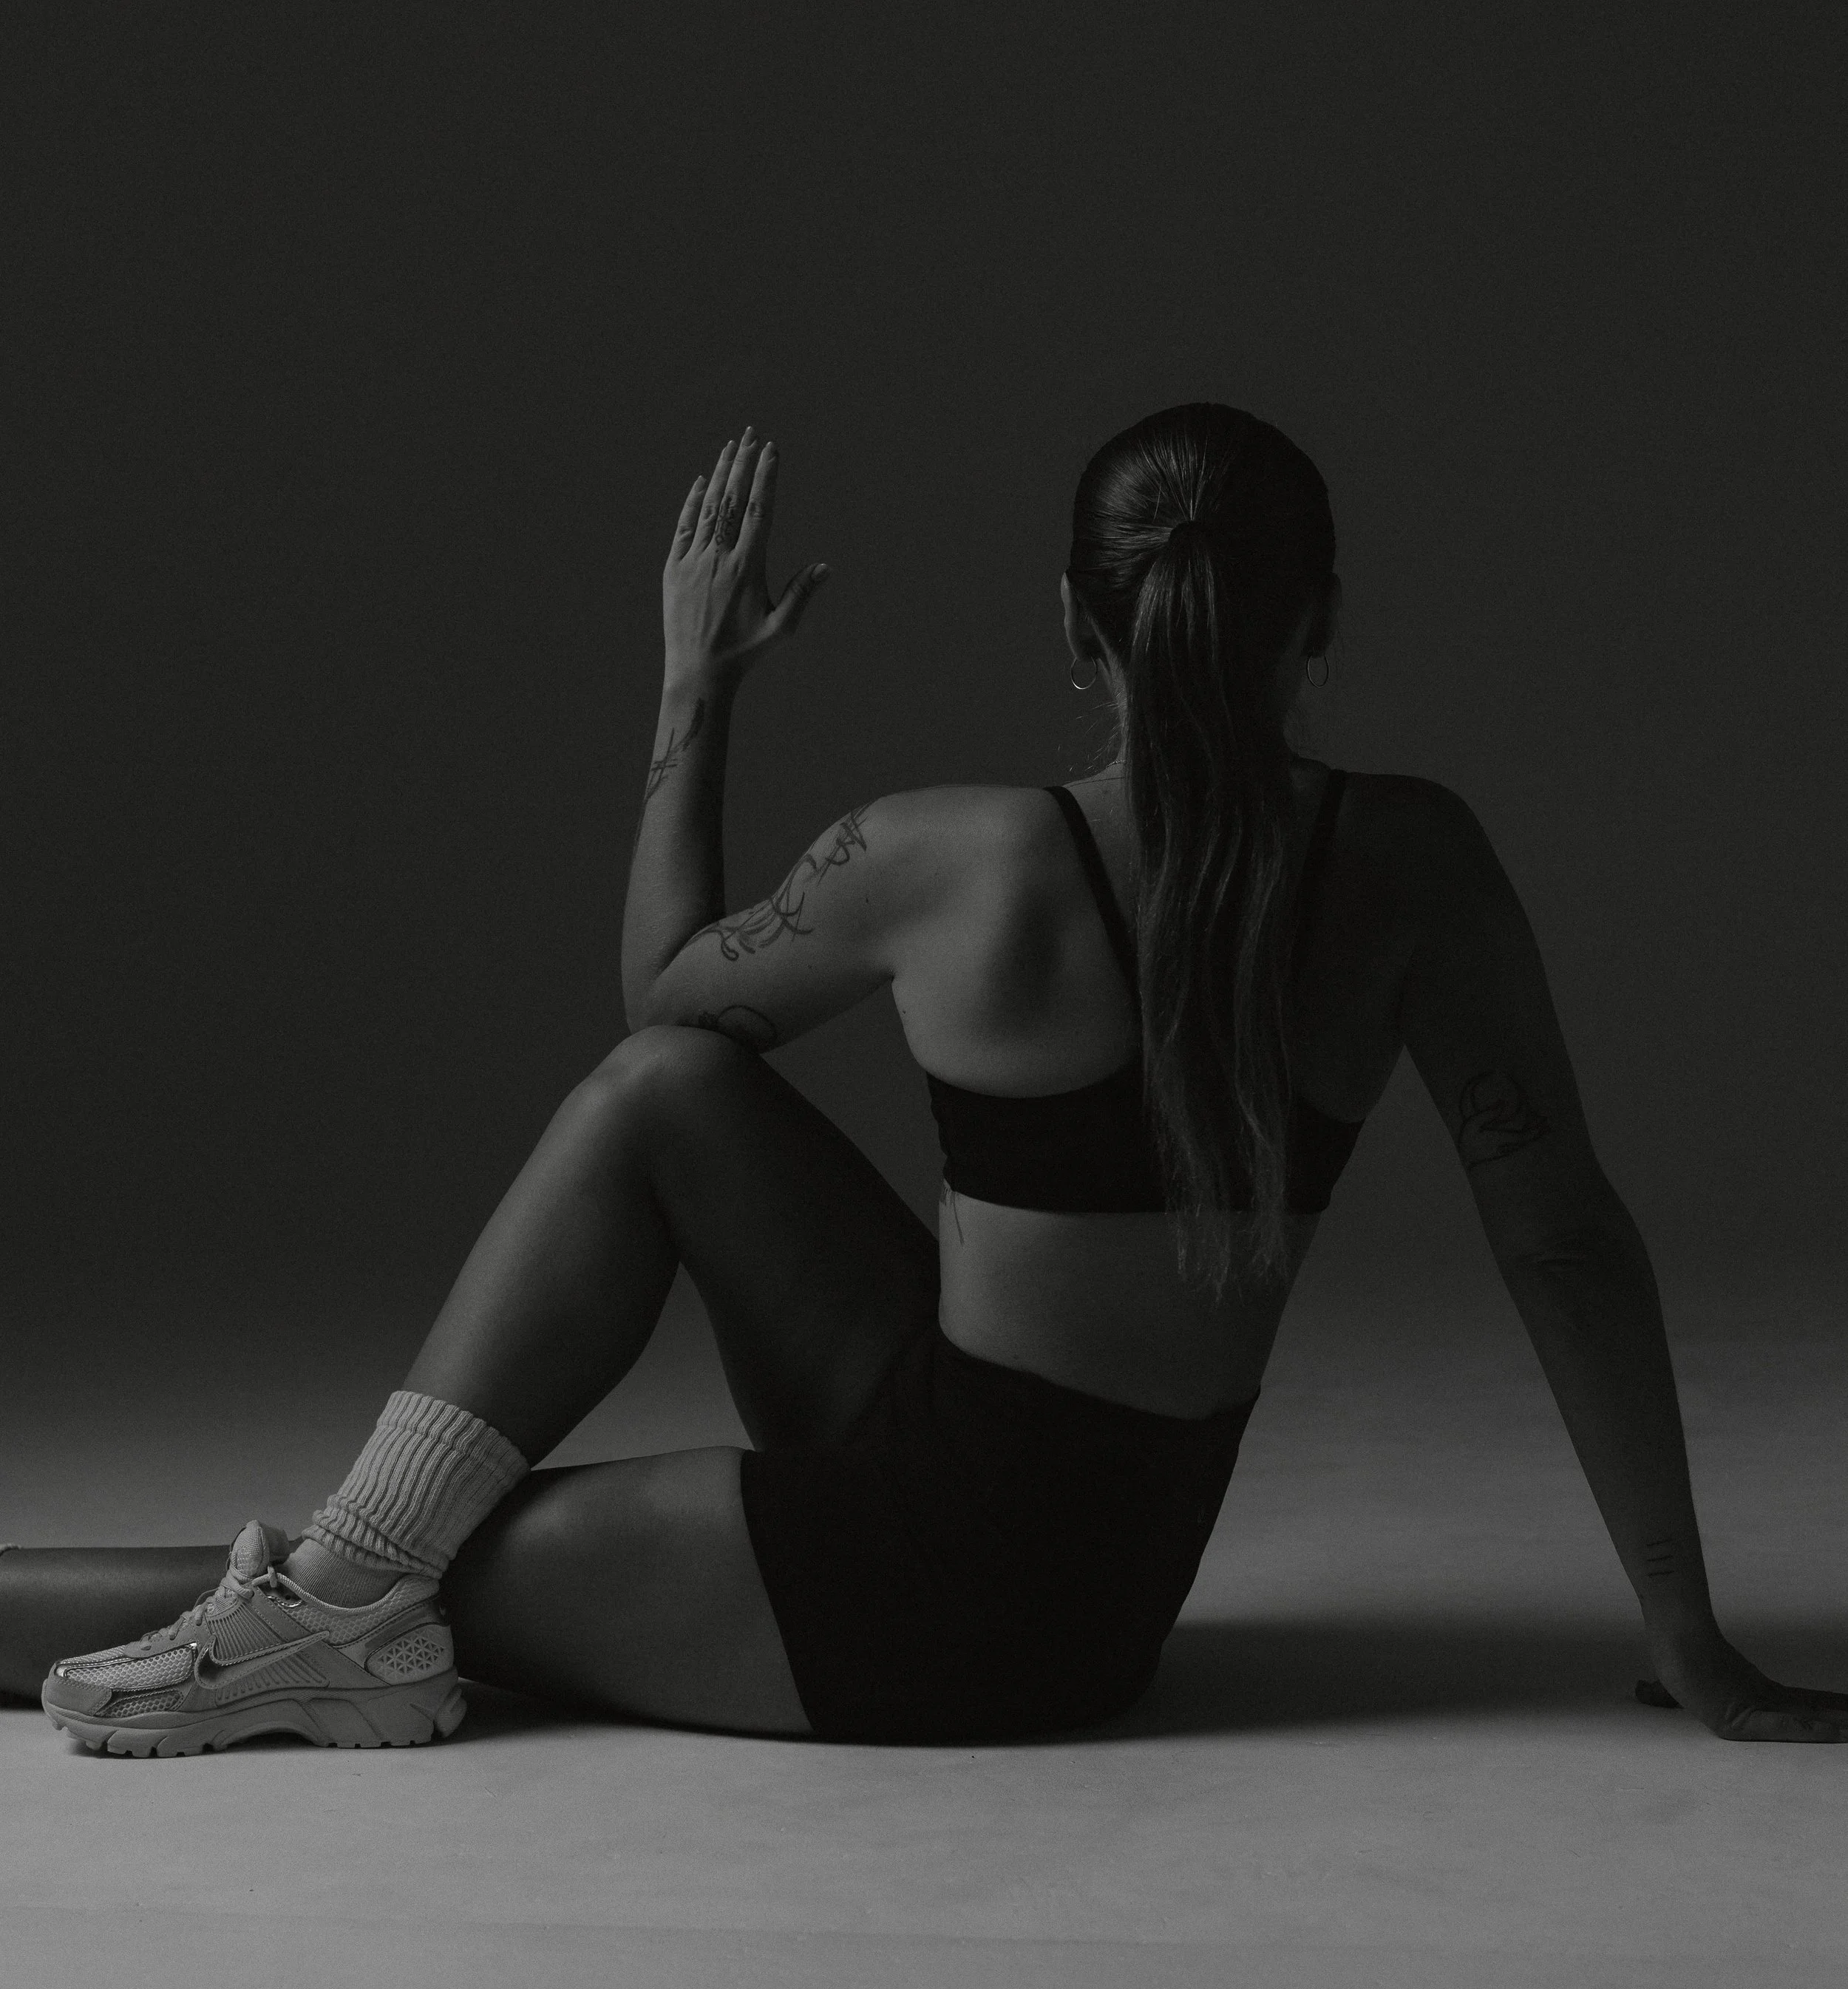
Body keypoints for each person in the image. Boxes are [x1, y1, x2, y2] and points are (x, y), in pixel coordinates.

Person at [7, 404, 1844, 1750]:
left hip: (939, 1607)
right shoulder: (1412, 864)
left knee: (392, 1569)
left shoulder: (945, 856)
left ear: (1072, 625)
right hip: (1077, 1559)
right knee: (666, 1103)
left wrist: (694, 684)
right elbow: (1561, 1242)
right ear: (1320, 620)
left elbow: (663, 987)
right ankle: (335, 1599)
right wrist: (1684, 1631)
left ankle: (331, 1604)